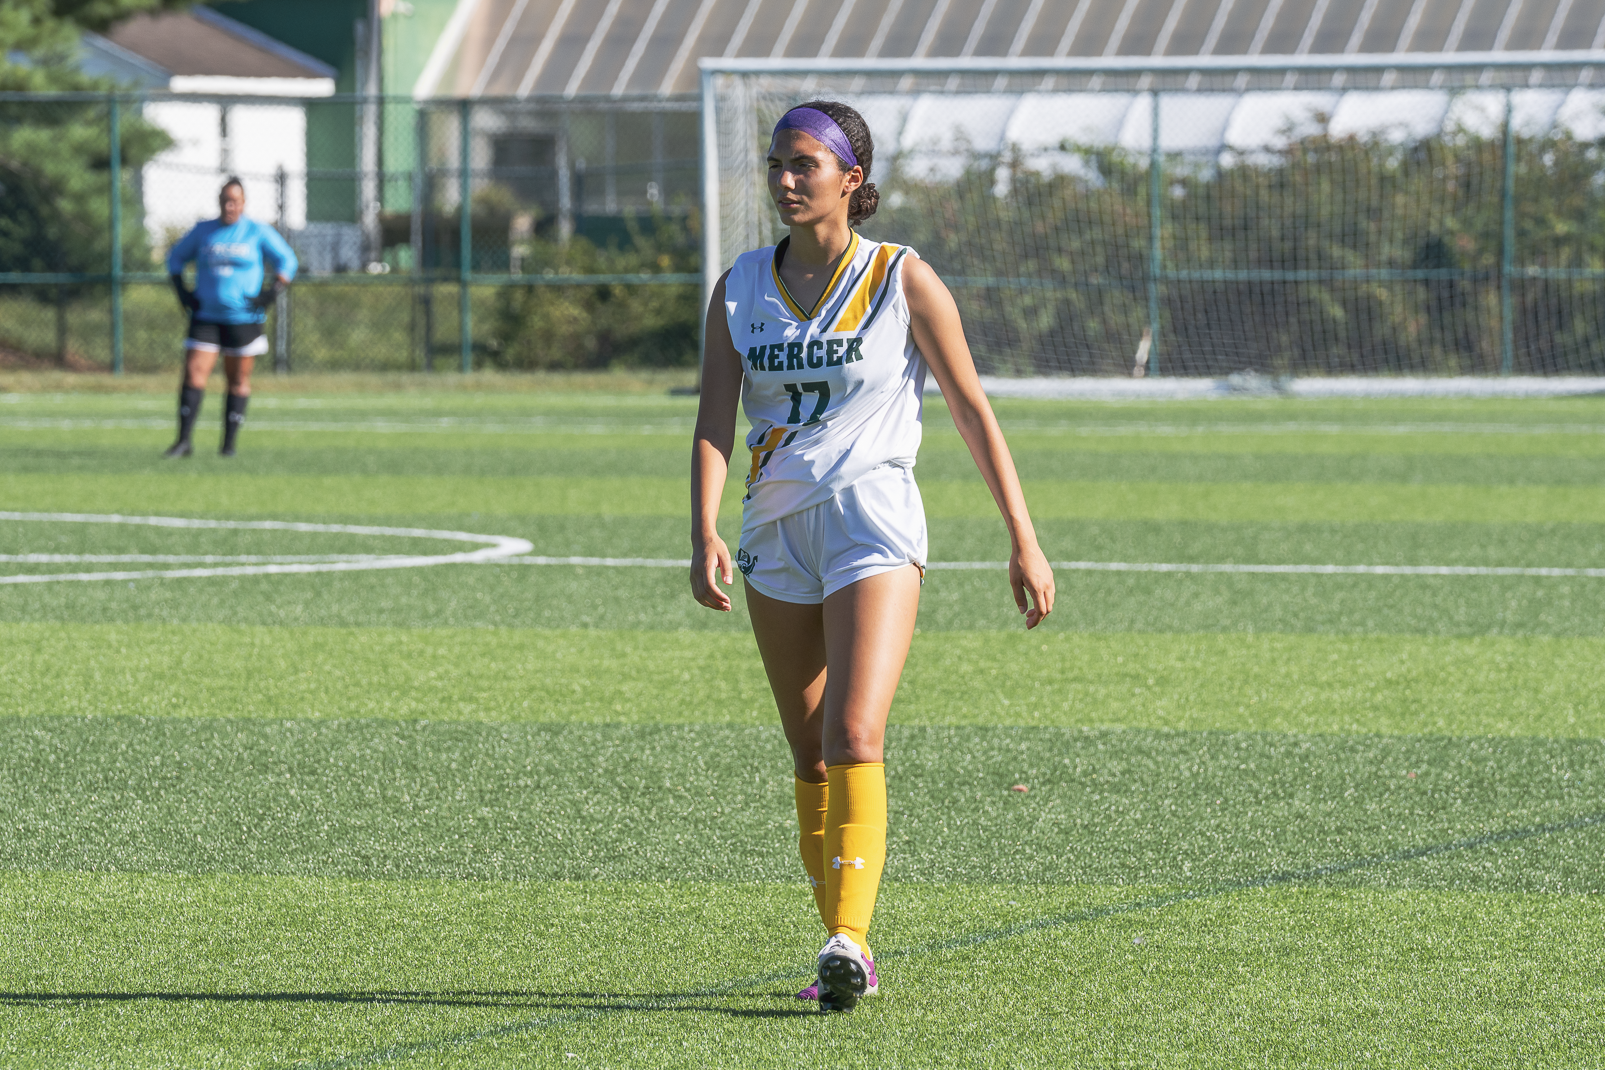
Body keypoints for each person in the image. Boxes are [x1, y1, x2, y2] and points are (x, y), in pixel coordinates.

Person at [689, 101, 1055, 1013]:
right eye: (775, 164)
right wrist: (702, 529)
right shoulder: (739, 285)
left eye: (803, 164)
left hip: (872, 525)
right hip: (774, 530)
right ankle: (839, 951)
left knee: (854, 735)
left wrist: (1022, 536)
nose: (784, 180)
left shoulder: (900, 276)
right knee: (810, 755)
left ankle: (848, 939)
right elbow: (713, 418)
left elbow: (970, 408)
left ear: (851, 179)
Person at [163, 177, 297, 458]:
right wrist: (182, 290)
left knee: (237, 378)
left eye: (234, 201)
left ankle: (228, 446)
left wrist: (271, 292)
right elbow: (175, 258)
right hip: (206, 316)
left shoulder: (256, 231)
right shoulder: (204, 231)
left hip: (243, 318)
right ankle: (183, 441)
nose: (229, 206)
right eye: (225, 201)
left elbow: (287, 260)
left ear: (243, 203)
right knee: (194, 373)